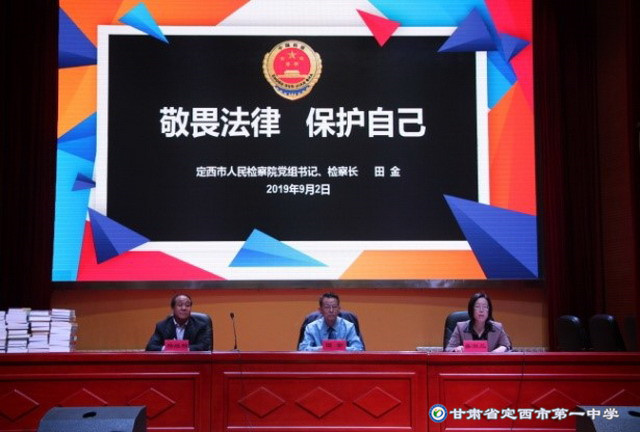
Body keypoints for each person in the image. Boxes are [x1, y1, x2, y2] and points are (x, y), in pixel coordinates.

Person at [445, 292, 511, 352]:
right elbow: (448, 349)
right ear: (472, 309)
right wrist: (456, 349)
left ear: (489, 310)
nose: (481, 310)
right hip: (468, 361)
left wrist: (501, 349)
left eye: (485, 307)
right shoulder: (460, 327)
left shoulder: (497, 328)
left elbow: (507, 346)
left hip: (490, 361)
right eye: (477, 306)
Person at [298, 292, 364, 351]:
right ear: (320, 310)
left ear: (339, 309)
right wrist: (323, 349)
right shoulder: (311, 328)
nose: (331, 310)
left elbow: (358, 348)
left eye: (334, 307)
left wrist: (338, 348)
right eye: (327, 307)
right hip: (319, 360)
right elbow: (303, 348)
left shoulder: (349, 327)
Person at [145, 294, 212, 351]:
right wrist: (168, 348)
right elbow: (150, 347)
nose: (184, 308)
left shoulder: (200, 326)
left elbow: (204, 346)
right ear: (173, 308)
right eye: (180, 305)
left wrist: (180, 348)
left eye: (187, 305)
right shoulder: (162, 326)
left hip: (192, 361)